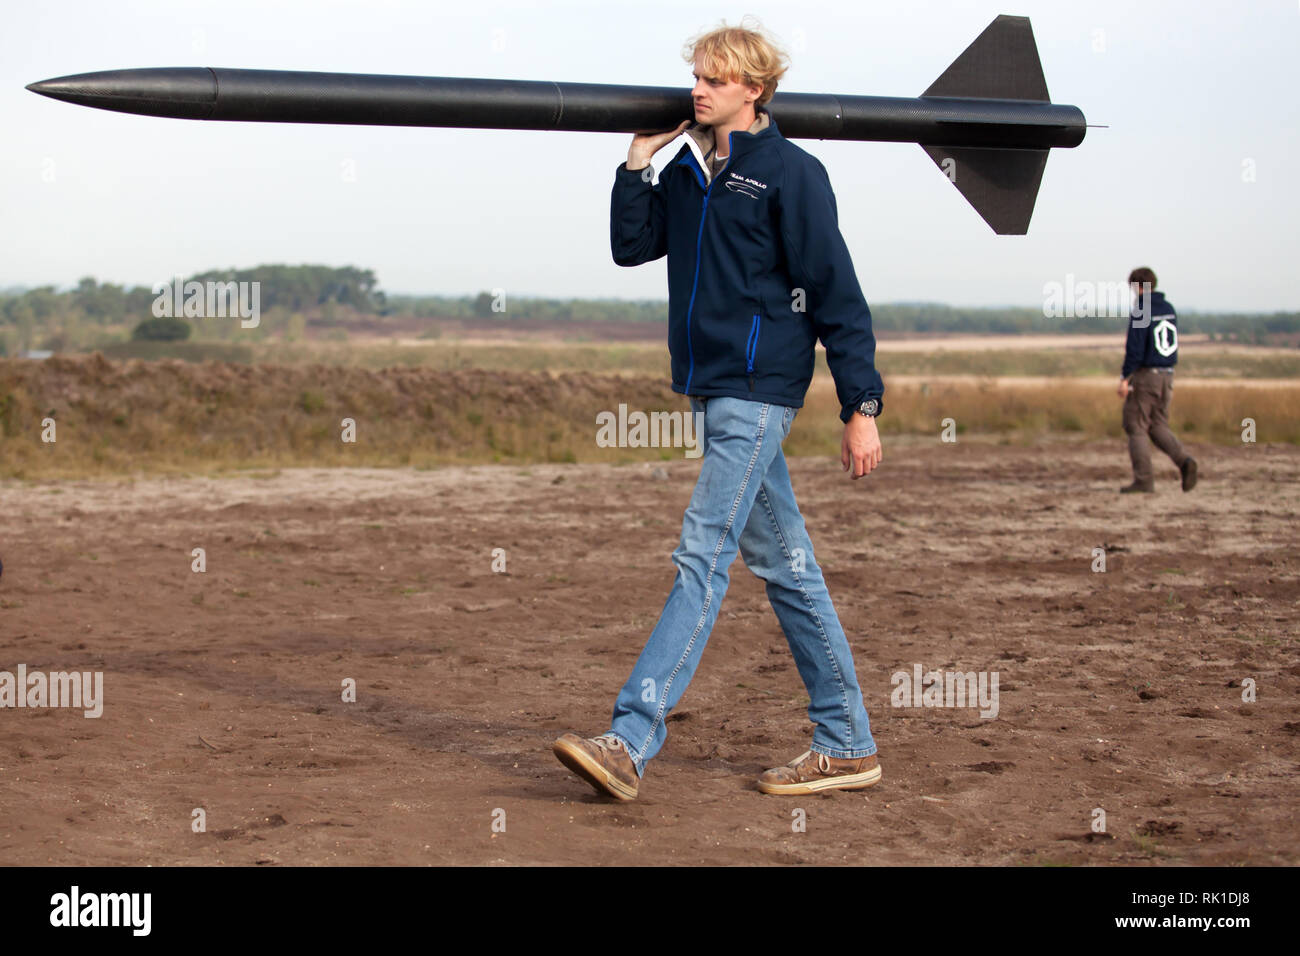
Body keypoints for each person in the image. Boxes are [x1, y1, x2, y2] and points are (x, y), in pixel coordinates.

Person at [553, 18, 884, 800]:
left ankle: (630, 739)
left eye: (715, 79)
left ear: (754, 90)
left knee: (701, 557)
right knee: (786, 567)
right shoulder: (687, 172)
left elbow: (837, 292)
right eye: (696, 75)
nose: (698, 88)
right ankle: (848, 741)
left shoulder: (790, 173)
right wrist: (638, 163)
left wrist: (860, 403)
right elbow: (633, 249)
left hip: (761, 390)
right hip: (712, 388)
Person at [1117, 266, 1197, 493]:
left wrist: (1125, 378)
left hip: (1146, 377)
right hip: (1167, 376)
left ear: (1137, 286)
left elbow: (1135, 348)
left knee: (1136, 425)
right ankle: (1185, 462)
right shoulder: (1168, 308)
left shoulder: (1142, 308)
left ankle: (1144, 480)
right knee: (1157, 425)